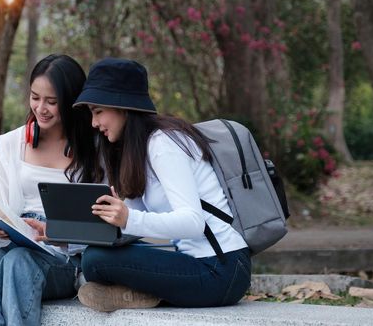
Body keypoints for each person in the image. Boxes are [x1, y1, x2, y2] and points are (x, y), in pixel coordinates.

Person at [72, 58, 251, 311]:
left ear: (122, 107)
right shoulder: (138, 151)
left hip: (221, 269)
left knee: (96, 261)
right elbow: (131, 228)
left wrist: (128, 218)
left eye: (98, 111)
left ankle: (137, 292)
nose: (93, 123)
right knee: (94, 255)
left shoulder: (164, 144)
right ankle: (140, 293)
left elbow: (193, 222)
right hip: (192, 263)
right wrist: (63, 234)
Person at [0, 54, 103, 326]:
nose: (41, 108)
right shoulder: (12, 144)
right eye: (35, 97)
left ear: (71, 102)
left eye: (52, 101)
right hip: (9, 241)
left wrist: (56, 234)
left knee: (19, 263)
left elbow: (99, 229)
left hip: (59, 256)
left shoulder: (93, 151)